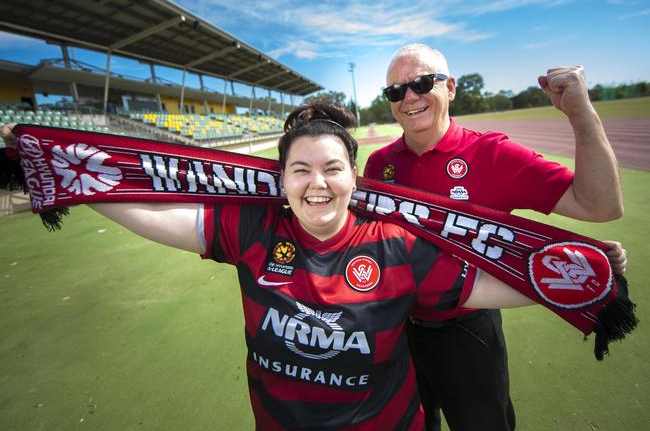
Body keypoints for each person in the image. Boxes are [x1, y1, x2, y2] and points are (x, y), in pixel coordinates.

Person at [2, 105, 570, 430]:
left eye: (331, 169)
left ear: (355, 177)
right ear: (280, 180)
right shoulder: (252, 229)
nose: (316, 184)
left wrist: (572, 276)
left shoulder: (397, 245)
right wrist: (62, 174)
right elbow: (151, 215)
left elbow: (491, 284)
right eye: (300, 170)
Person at [364, 44, 626, 431]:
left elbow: (600, 205)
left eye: (420, 83)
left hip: (468, 335)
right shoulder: (379, 163)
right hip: (394, 332)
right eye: (395, 91)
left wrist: (581, 113)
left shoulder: (492, 154)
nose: (408, 98)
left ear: (450, 87)